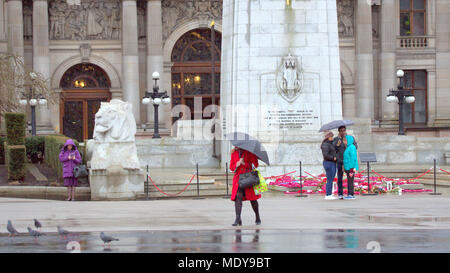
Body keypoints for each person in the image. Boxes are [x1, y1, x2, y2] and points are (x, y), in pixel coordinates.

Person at [229, 147, 261, 226]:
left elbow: (255, 165)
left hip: (248, 178)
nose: (236, 146)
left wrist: (244, 164)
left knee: (253, 199)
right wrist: (237, 164)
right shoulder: (234, 152)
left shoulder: (250, 152)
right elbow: (231, 167)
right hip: (238, 179)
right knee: (238, 197)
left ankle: (257, 216)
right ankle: (238, 218)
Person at [333, 126, 358, 199]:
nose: (343, 132)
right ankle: (340, 193)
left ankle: (350, 193)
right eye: (341, 131)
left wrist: (349, 146)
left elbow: (355, 146)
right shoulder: (336, 139)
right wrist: (337, 145)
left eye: (344, 130)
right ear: (339, 132)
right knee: (340, 178)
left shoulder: (350, 138)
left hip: (349, 162)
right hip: (340, 161)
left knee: (350, 178)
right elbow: (333, 149)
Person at [321, 131, 337, 200]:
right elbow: (326, 155)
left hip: (332, 162)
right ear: (328, 137)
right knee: (329, 178)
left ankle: (330, 193)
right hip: (329, 162)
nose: (332, 138)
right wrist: (333, 158)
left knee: (331, 178)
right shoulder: (325, 145)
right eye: (331, 137)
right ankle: (328, 194)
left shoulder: (330, 144)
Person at [343, 135, 359, 199]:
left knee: (350, 181)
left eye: (345, 140)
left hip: (350, 167)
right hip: (348, 167)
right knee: (350, 180)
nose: (344, 141)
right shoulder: (348, 147)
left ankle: (350, 194)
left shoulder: (351, 147)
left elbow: (353, 158)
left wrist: (352, 168)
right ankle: (350, 194)